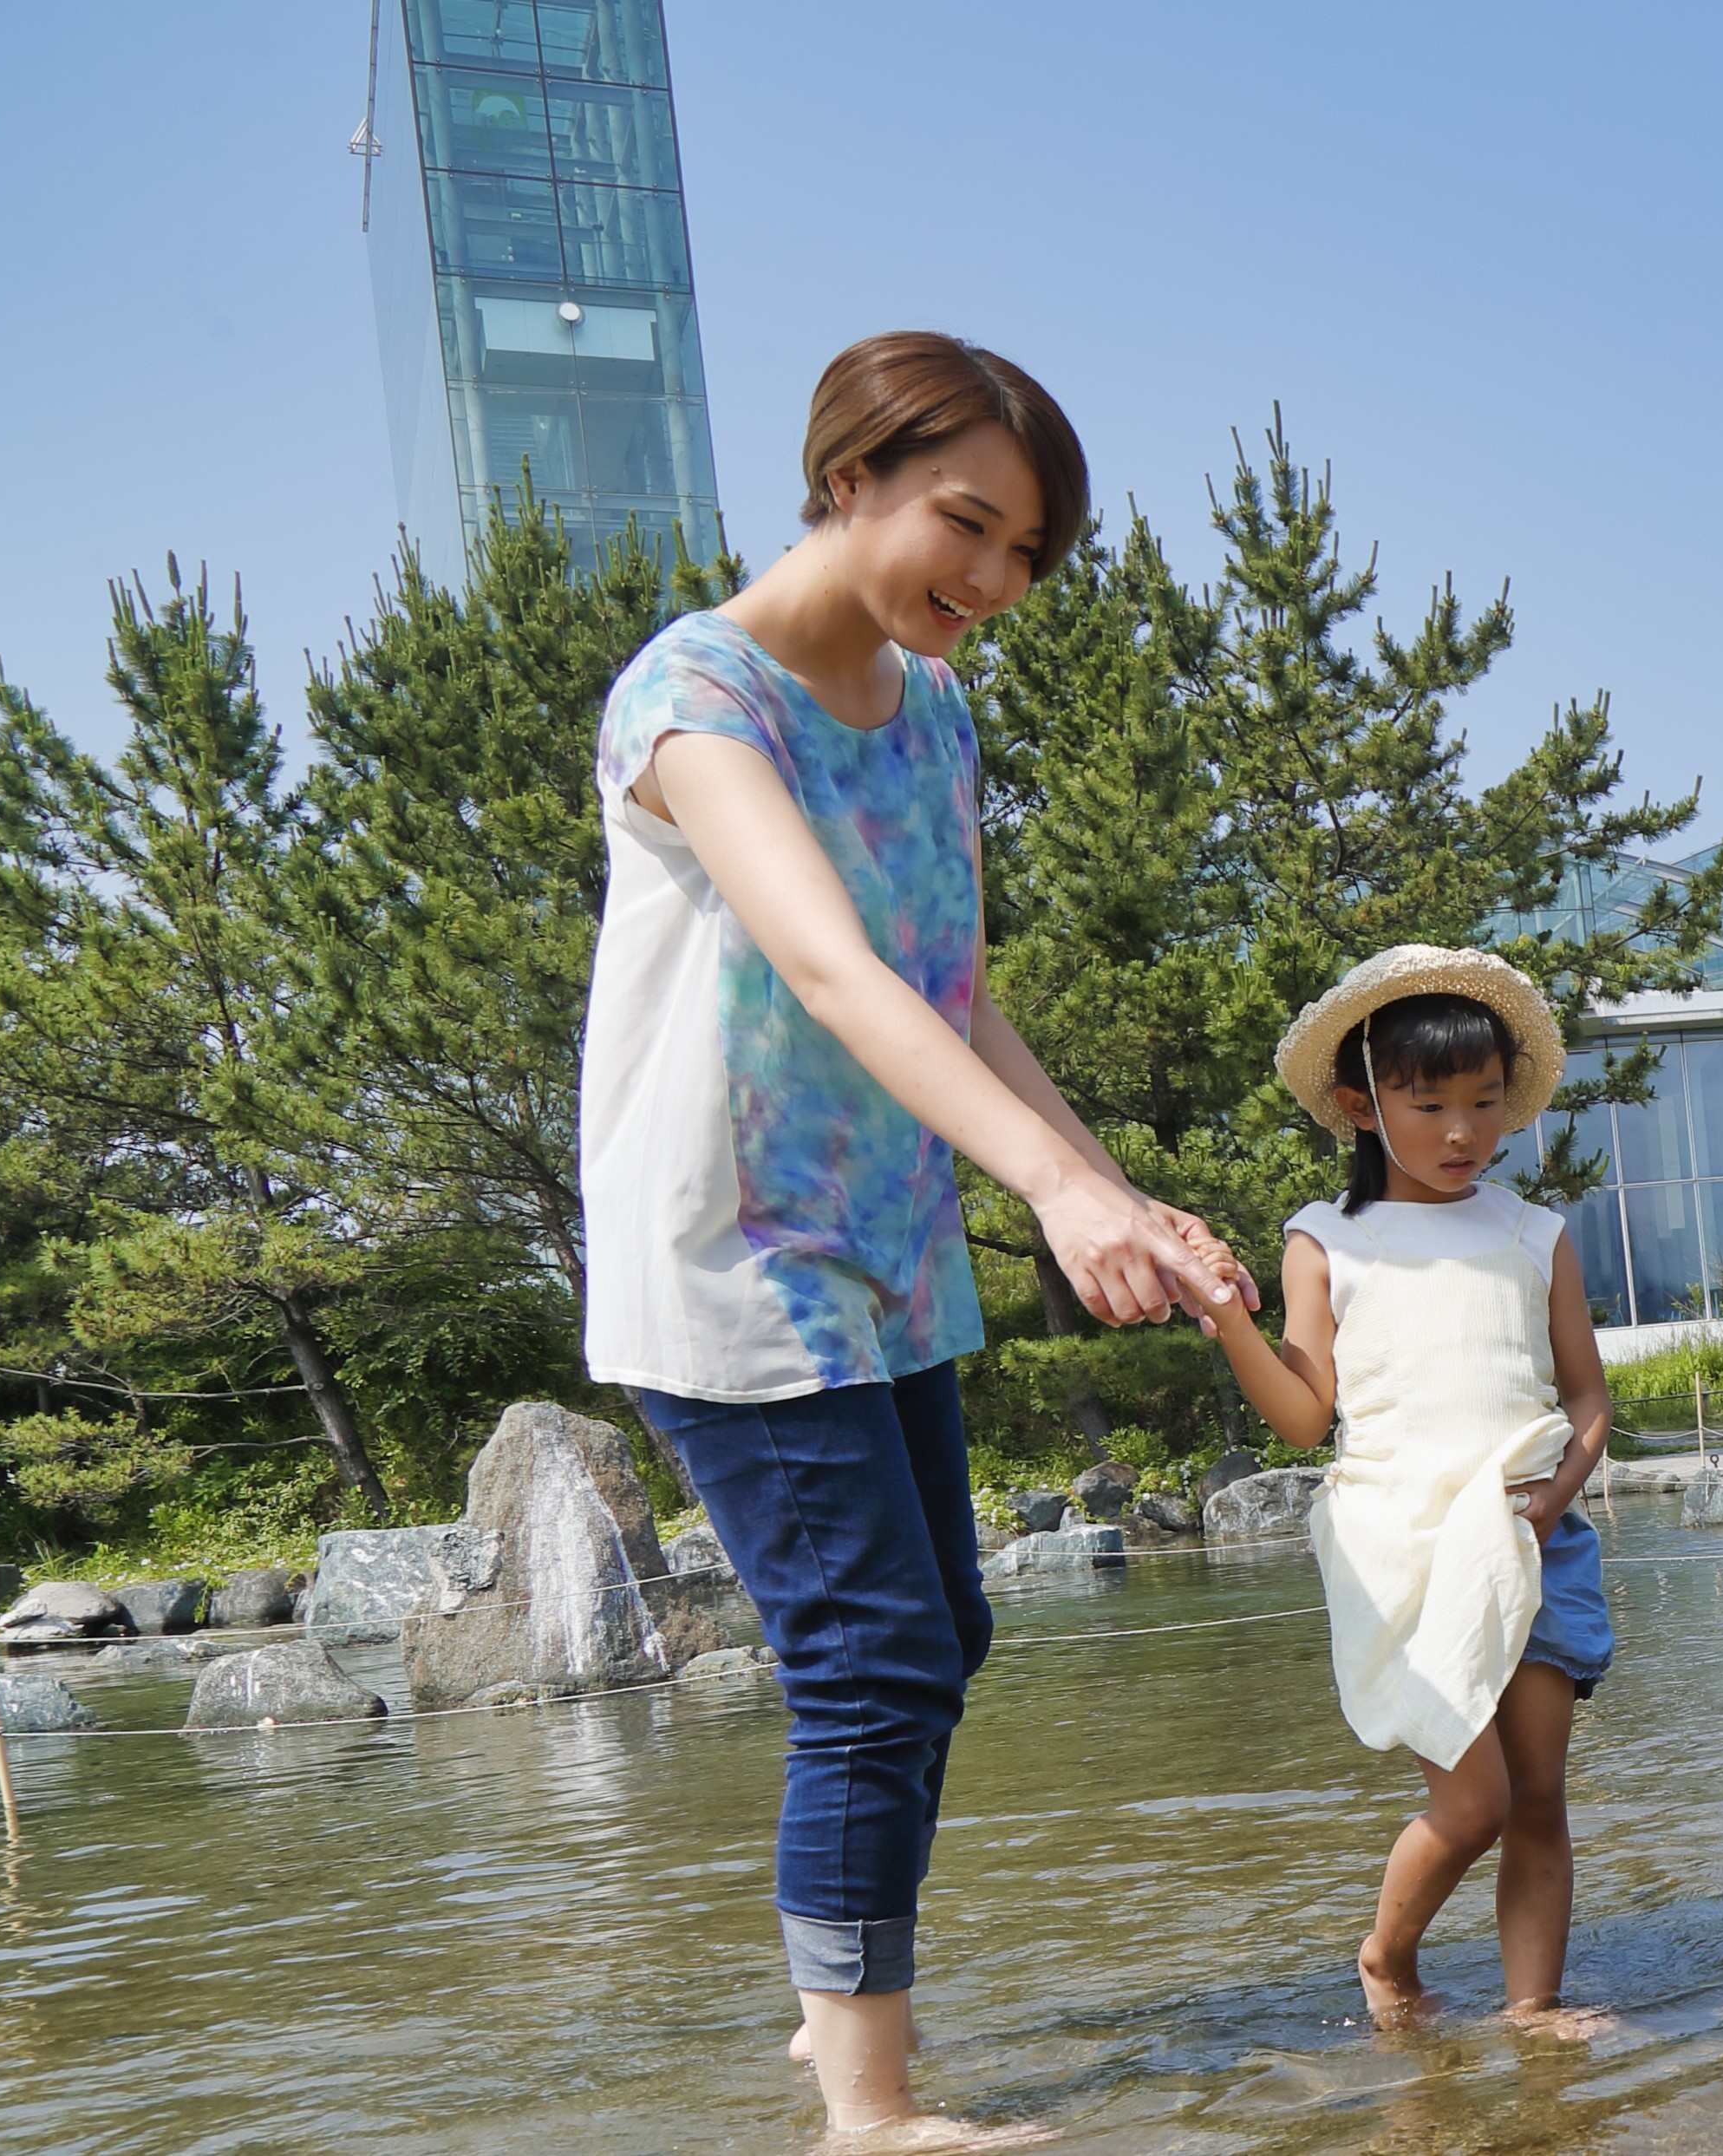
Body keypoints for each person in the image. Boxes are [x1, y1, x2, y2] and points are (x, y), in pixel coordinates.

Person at [580, 330, 1250, 2146]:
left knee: (938, 1628)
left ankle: (833, 2005)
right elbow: (825, 965)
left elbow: (954, 991)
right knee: (870, 1655)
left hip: (887, 1241)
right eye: (968, 522)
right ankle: (868, 2113)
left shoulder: (934, 712)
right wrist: (1051, 1192)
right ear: (847, 475)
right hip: (733, 1251)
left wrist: (1112, 1185)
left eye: (1028, 555)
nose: (994, 582)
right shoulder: (696, 700)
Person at [1204, 946, 1618, 2030]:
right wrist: (1228, 1323)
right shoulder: (1327, 1237)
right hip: (1404, 1544)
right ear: (1361, 1103)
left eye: (1483, 1103)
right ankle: (1387, 1954)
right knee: (1473, 1800)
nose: (1460, 1132)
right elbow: (1304, 1412)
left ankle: (1533, 2011)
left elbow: (1588, 1400)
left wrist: (1558, 1493)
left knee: (1536, 1800)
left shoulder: (1535, 1232)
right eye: (1428, 1102)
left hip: (1534, 1534)